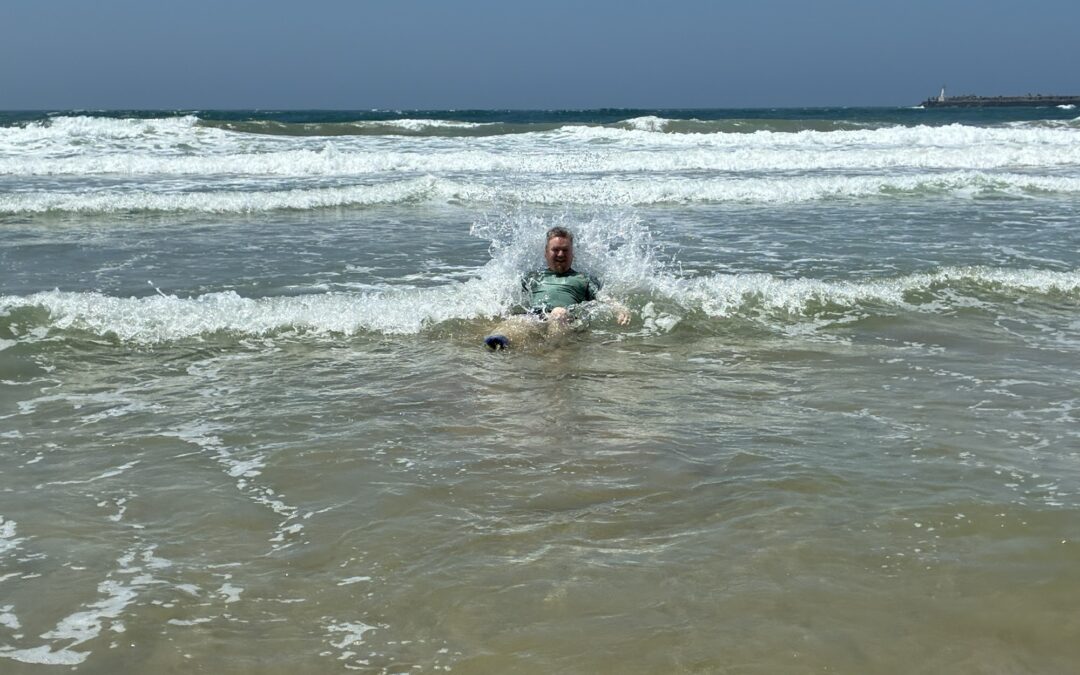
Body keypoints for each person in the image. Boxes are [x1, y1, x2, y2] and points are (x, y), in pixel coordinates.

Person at [485, 227, 629, 349]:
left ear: (572, 253)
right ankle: (499, 346)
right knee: (515, 322)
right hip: (537, 318)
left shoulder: (584, 278)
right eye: (556, 250)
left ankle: (555, 356)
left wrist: (619, 308)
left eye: (565, 250)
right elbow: (515, 302)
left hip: (568, 320)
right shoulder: (532, 277)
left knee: (558, 313)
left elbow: (602, 297)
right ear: (546, 252)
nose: (560, 254)